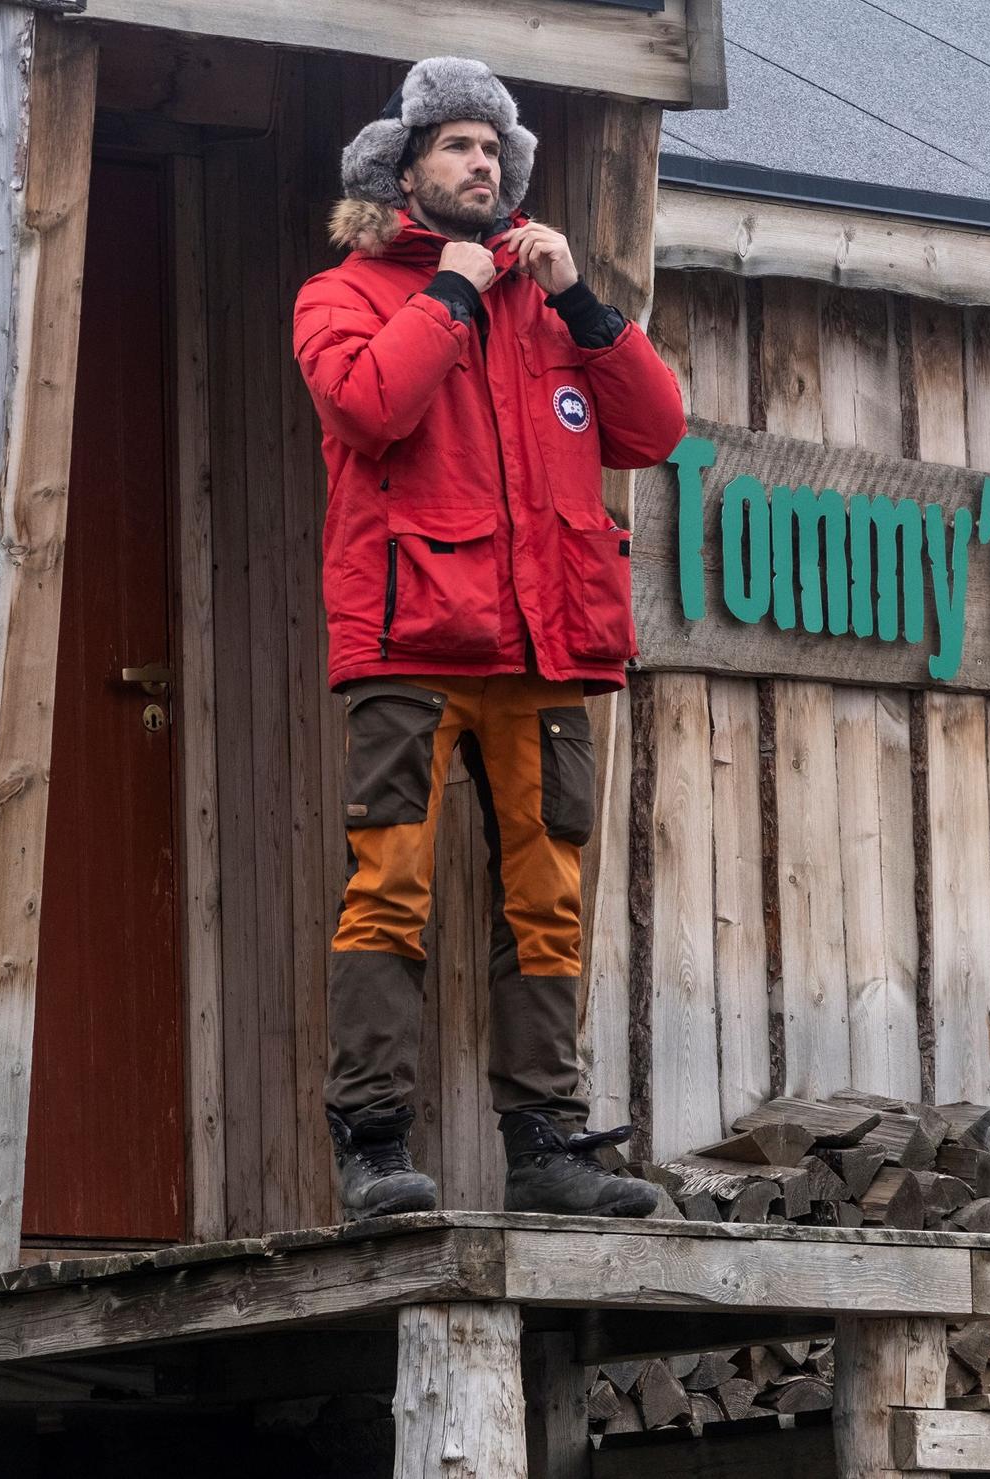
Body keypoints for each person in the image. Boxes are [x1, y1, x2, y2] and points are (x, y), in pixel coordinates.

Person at [293, 56, 685, 1221]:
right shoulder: (344, 293)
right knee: (389, 888)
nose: (482, 163)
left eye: (492, 148)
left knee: (546, 901)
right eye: (457, 145)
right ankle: (373, 1150)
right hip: (412, 640)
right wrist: (448, 296)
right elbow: (369, 408)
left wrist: (581, 303)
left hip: (542, 649)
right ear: (403, 167)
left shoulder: (548, 303)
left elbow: (651, 430)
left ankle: (546, 1150)